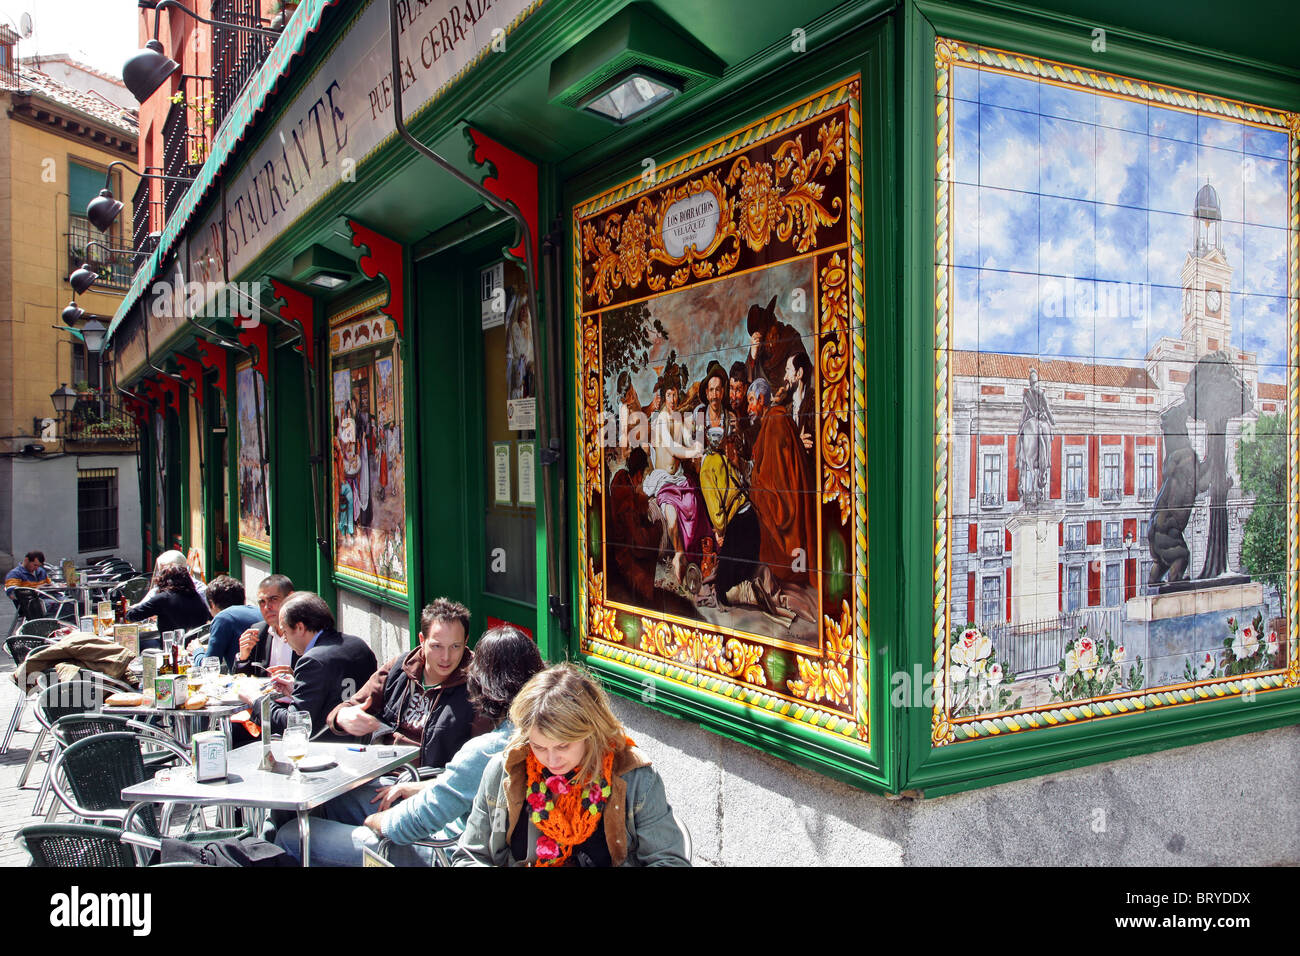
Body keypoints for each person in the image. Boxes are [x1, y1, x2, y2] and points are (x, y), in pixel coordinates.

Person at [274, 625, 544, 866]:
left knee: (292, 835)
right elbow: (466, 786)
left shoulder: (488, 747)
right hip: (432, 800)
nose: (447, 657)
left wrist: (377, 823)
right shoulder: (537, 735)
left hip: (442, 849)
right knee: (331, 803)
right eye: (437, 646)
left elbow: (418, 820)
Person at [453, 663, 689, 867]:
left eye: (563, 746)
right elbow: (469, 856)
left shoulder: (634, 777)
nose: (552, 760)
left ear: (590, 733)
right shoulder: (505, 770)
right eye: (539, 747)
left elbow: (670, 860)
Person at [237, 591, 377, 740]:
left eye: (285, 632)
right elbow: (332, 697)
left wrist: (257, 700)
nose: (284, 639)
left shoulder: (312, 661)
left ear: (300, 627)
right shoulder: (358, 645)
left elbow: (294, 724)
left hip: (327, 749)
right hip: (362, 742)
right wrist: (297, 690)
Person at [747, 377, 816, 587]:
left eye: (751, 401)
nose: (749, 407)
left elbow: (774, 480)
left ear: (761, 399)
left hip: (787, 504)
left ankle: (785, 571)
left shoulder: (775, 422)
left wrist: (754, 487)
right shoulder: (774, 420)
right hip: (789, 496)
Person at [189, 575, 262, 672]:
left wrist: (197, 651)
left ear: (212, 604)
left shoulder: (223, 618)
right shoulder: (259, 611)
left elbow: (208, 667)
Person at [234, 574, 295, 675]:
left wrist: (295, 679)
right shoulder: (258, 632)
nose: (267, 607)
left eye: (273, 599)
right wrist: (243, 658)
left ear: (290, 598)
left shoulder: (305, 632)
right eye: (262, 602)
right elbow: (242, 682)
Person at [126, 565, 211, 634]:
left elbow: (132, 615)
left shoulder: (163, 598)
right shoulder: (196, 596)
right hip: (194, 644)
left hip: (171, 645)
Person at [5, 550, 54, 619]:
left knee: (71, 604)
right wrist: (34, 591)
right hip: (32, 605)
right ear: (26, 560)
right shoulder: (15, 574)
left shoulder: (41, 571)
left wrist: (53, 585)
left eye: (38, 566)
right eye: (35, 565)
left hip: (48, 599)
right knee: (65, 607)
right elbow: (12, 593)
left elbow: (50, 585)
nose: (36, 568)